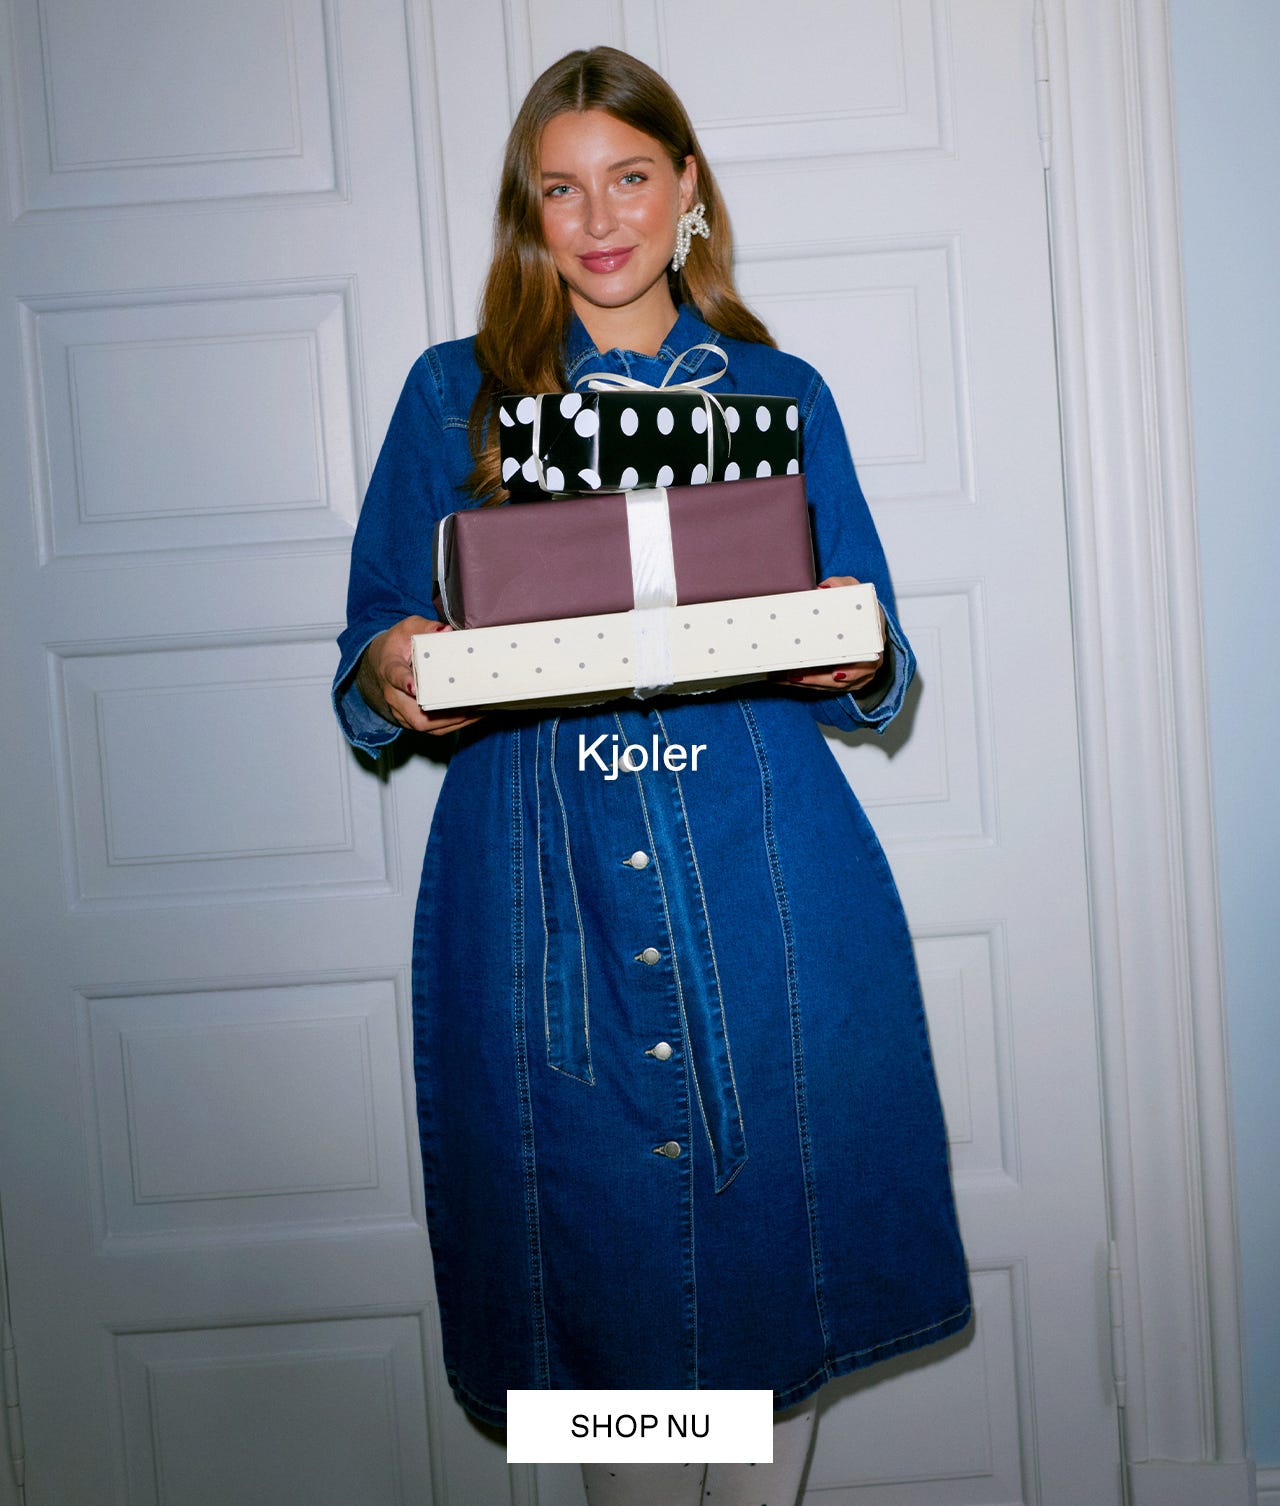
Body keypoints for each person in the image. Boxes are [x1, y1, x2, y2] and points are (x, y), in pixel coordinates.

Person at [333, 46, 970, 1506]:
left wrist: (856, 649)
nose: (600, 217)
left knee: (766, 1339)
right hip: (540, 918)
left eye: (629, 177)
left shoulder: (780, 392)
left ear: (687, 186)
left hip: (767, 899)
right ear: (529, 212)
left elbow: (880, 656)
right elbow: (368, 648)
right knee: (601, 1356)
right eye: (561, 189)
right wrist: (390, 667)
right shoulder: (451, 397)